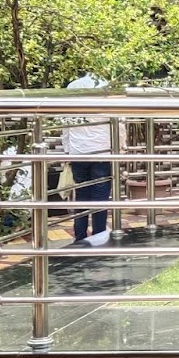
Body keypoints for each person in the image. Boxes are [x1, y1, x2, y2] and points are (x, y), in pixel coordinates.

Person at [61, 72, 112, 247]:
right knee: (100, 196)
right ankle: (99, 236)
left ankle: (80, 237)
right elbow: (118, 121)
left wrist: (67, 149)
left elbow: (66, 122)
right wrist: (121, 149)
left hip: (78, 150)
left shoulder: (73, 87)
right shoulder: (107, 86)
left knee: (81, 195)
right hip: (102, 151)